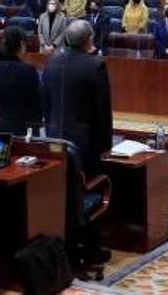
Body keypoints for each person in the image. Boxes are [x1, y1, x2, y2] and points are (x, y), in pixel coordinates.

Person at [41, 20, 113, 268]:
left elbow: (46, 104)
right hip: (85, 143)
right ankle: (90, 250)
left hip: (54, 141)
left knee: (62, 193)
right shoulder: (95, 65)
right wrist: (106, 144)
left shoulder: (51, 62)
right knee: (88, 190)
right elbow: (102, 111)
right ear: (89, 40)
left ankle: (66, 246)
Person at [0, 26, 41, 135]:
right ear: (22, 44)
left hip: (0, 127)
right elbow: (35, 104)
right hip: (23, 129)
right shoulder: (28, 71)